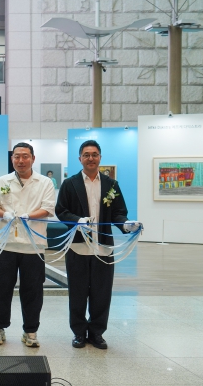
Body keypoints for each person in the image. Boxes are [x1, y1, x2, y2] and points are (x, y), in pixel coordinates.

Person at [56, 140, 140, 350]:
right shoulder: (70, 184)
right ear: (80, 159)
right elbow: (61, 211)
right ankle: (78, 333)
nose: (90, 158)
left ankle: (97, 333)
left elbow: (119, 213)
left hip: (103, 248)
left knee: (102, 293)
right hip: (78, 247)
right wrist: (77, 220)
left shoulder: (112, 184)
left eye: (94, 154)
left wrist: (126, 225)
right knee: (77, 293)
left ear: (100, 158)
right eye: (86, 155)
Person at [0, 142, 55, 347]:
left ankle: (30, 331)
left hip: (33, 245)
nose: (21, 160)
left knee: (33, 290)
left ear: (33, 158)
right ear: (12, 159)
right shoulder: (2, 180)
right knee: (2, 288)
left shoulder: (44, 182)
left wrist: (29, 216)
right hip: (6, 244)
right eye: (17, 156)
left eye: (25, 156)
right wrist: (4, 214)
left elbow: (48, 208)